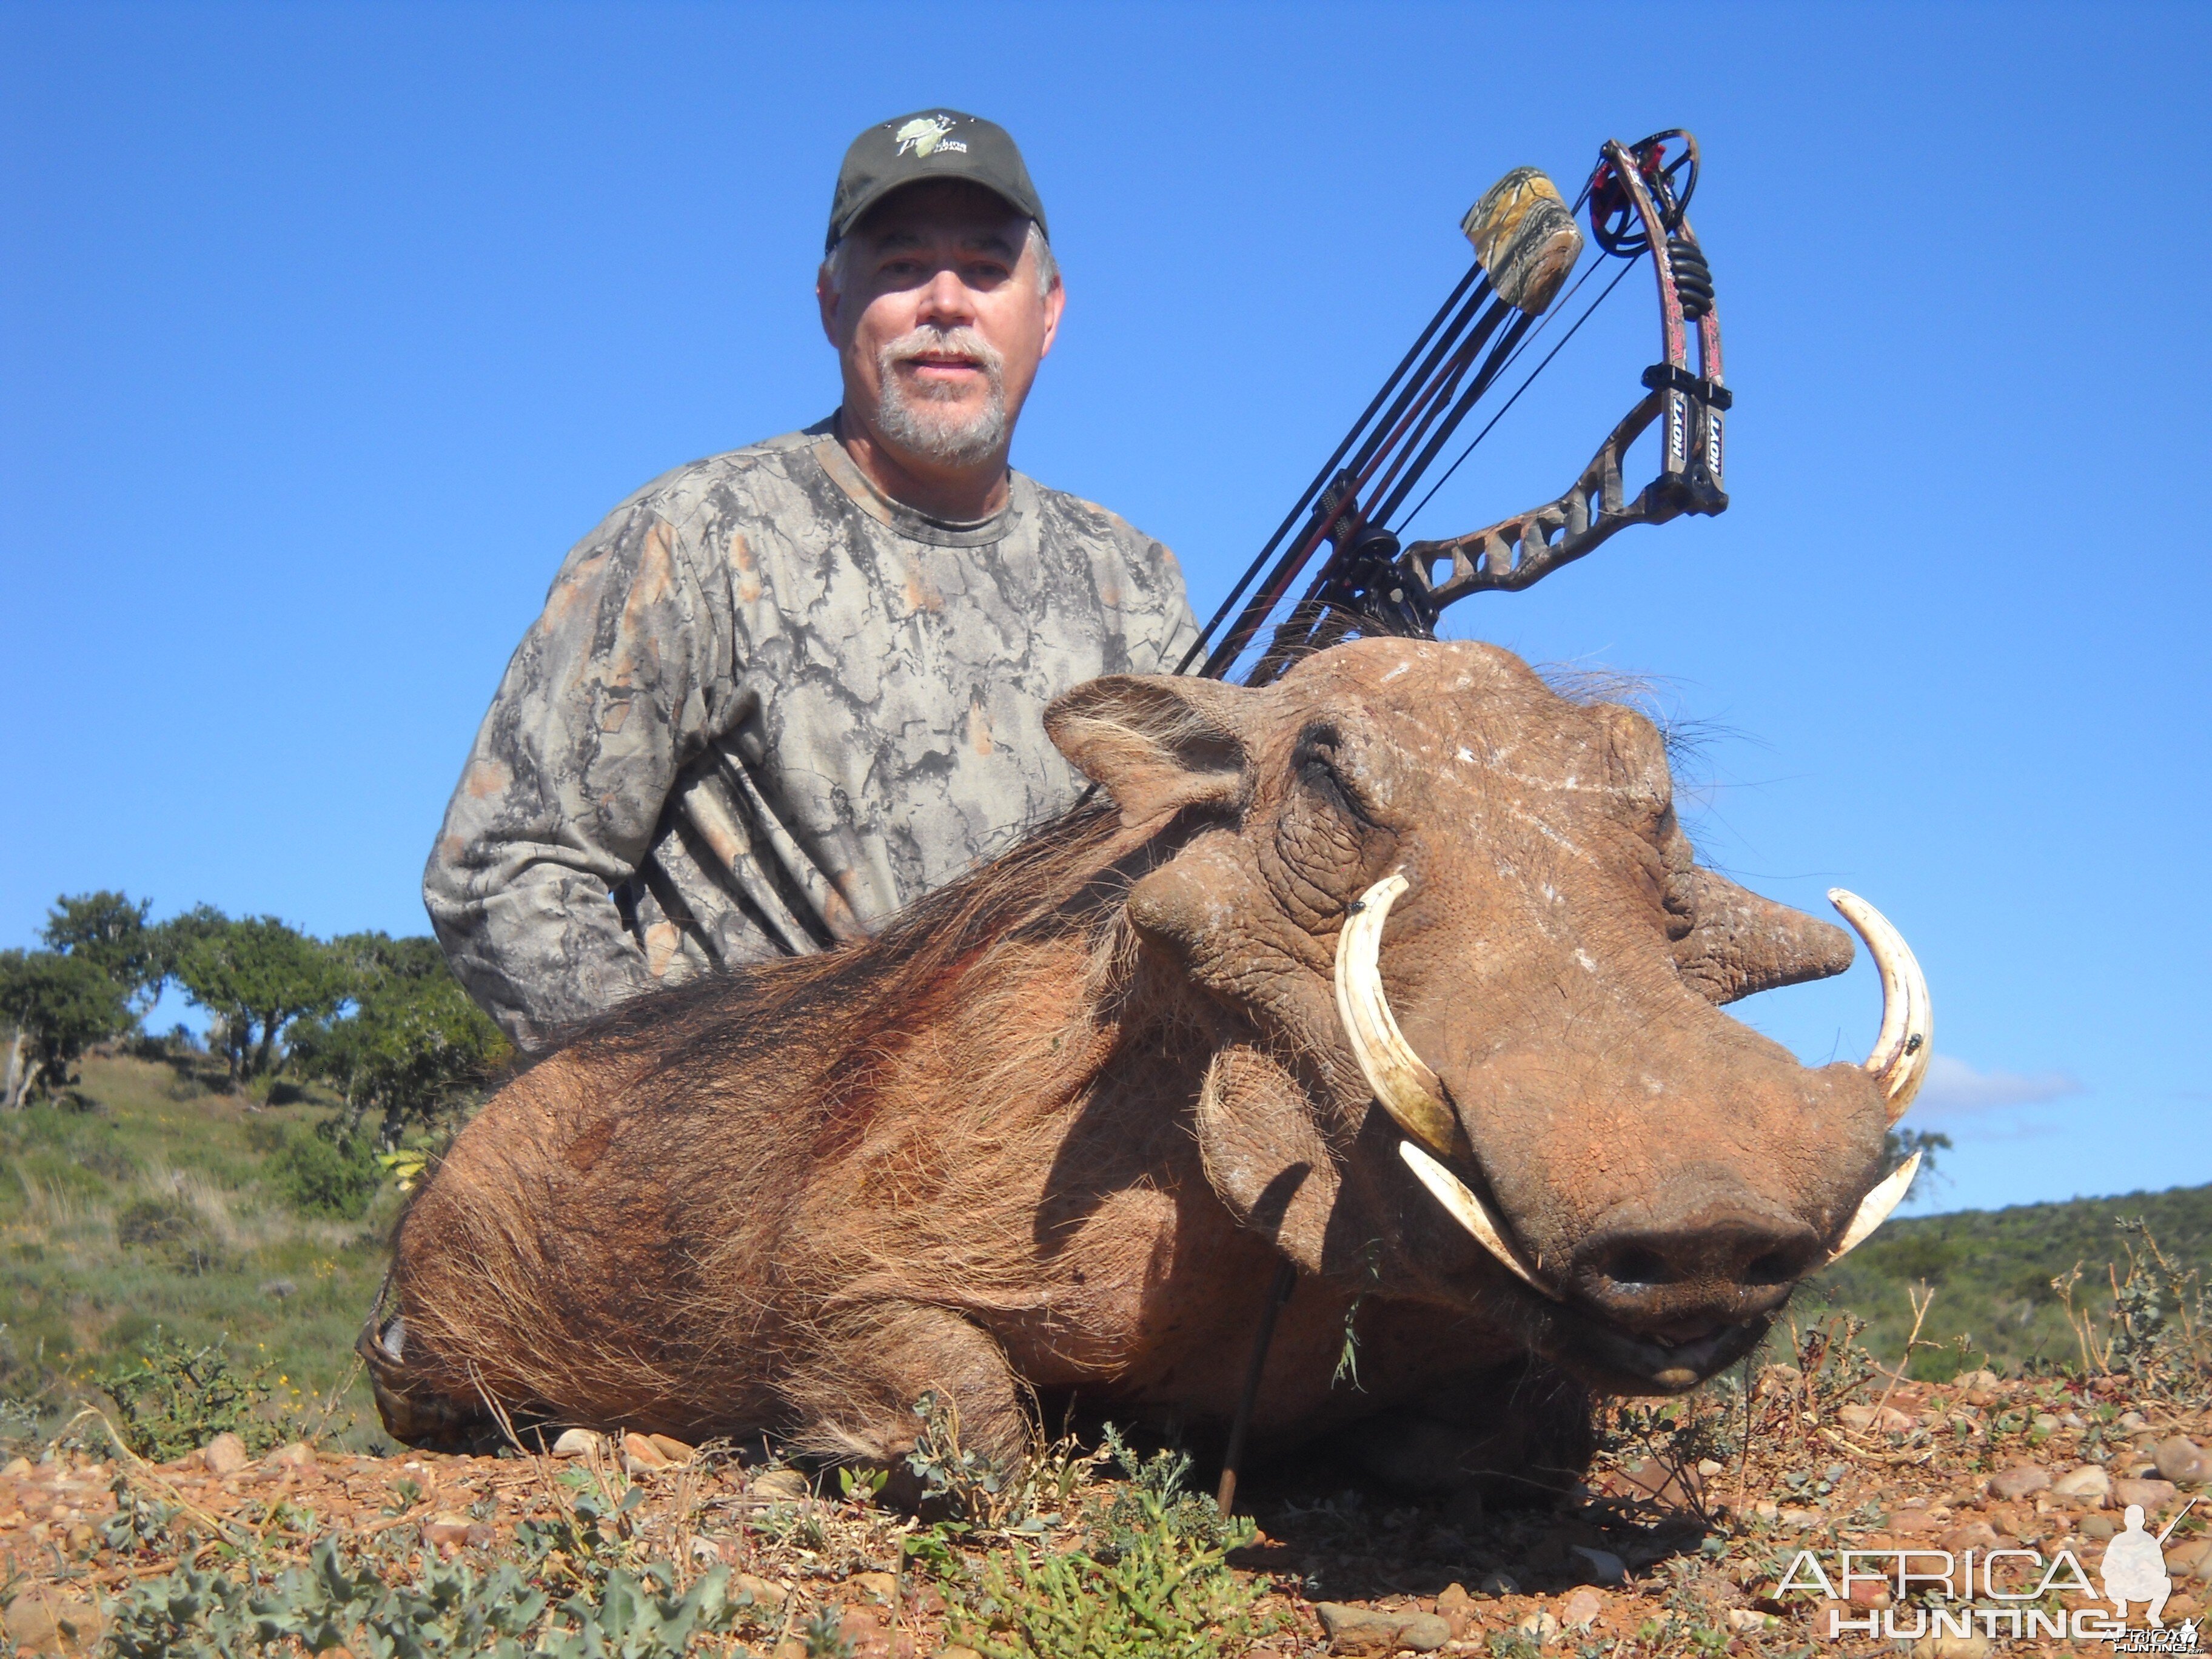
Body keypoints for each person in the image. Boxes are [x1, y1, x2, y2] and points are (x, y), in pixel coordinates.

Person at [424, 110, 1197, 1050]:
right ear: (833, 303)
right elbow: (505, 867)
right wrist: (694, 1117)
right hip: (751, 1177)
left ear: (1049, 311)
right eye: (901, 265)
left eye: (987, 267)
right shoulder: (698, 538)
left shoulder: (1135, 585)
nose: (944, 302)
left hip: (1046, 1174)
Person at [2100, 1503, 2173, 1627]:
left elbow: (2161, 1569)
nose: (2134, 1523)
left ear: (2143, 1521)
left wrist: (2146, 1567)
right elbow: (2106, 1567)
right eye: (2131, 1519)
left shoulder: (2149, 1541)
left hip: (2143, 1585)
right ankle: (2121, 1607)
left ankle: (2153, 1614)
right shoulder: (2119, 1540)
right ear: (2126, 1521)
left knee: (2165, 1583)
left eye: (2137, 1519)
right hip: (2122, 1585)